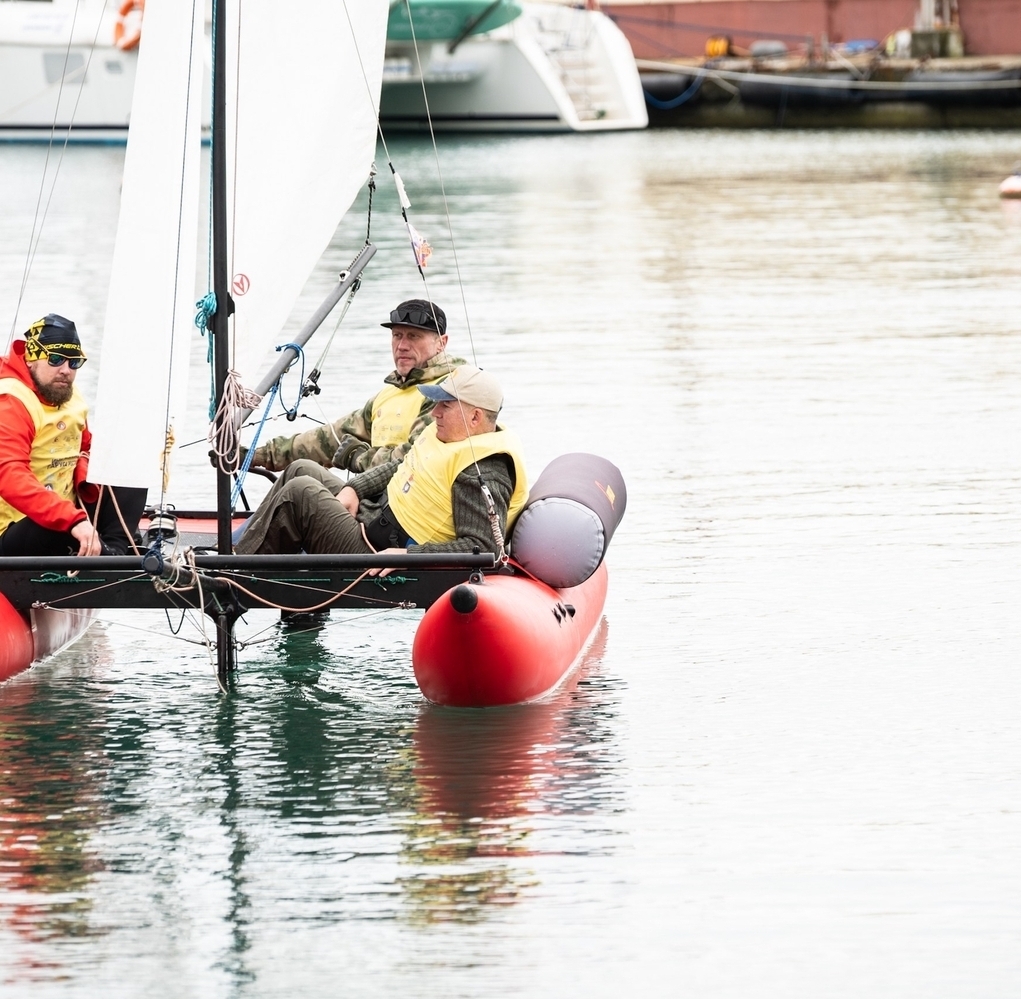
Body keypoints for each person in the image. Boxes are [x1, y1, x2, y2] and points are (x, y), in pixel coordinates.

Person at [235, 366, 528, 562]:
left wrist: (410, 557)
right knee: (301, 469)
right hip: (374, 517)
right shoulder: (445, 435)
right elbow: (400, 466)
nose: (435, 412)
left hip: (381, 552)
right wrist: (355, 488)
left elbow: (482, 547)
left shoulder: (482, 470)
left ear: (475, 417)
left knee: (300, 493)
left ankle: (232, 576)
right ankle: (238, 551)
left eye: (445, 405)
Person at [245, 298, 465, 474]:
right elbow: (328, 439)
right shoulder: (387, 395)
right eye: (397, 335)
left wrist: (357, 458)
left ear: (441, 343)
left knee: (299, 489)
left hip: (410, 507)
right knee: (300, 472)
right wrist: (258, 455)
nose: (402, 346)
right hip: (374, 502)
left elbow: (415, 459)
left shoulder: (448, 390)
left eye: (414, 336)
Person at [0, 314, 146, 557]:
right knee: (54, 524)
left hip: (65, 510)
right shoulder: (10, 401)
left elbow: (87, 447)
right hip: (15, 528)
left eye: (74, 362)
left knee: (129, 464)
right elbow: (9, 475)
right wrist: (71, 518)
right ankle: (99, 552)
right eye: (56, 359)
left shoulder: (64, 390)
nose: (66, 371)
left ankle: (116, 553)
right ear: (31, 358)